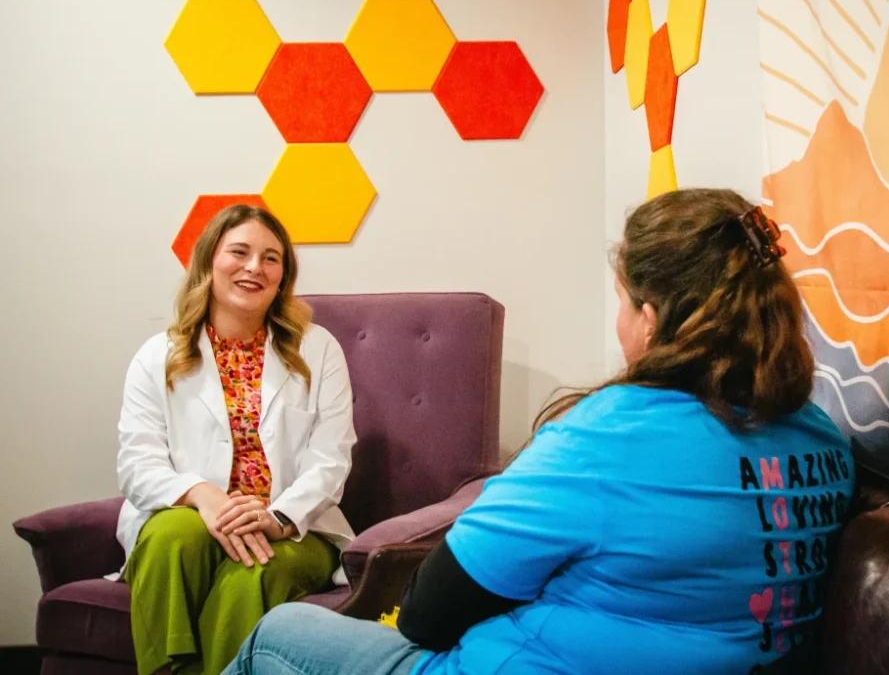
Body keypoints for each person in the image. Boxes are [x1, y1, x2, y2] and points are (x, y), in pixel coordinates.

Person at [224, 188, 855, 675]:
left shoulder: (606, 437)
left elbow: (426, 614)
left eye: (622, 301)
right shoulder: (823, 440)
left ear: (652, 317)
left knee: (277, 634)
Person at [115, 204, 357, 675]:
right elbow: (137, 464)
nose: (254, 267)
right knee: (169, 536)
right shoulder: (157, 355)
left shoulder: (319, 348)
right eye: (239, 252)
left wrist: (278, 516)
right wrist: (203, 495)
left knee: (253, 571)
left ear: (282, 276)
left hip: (294, 522)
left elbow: (331, 459)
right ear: (209, 261)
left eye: (271, 258)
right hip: (190, 514)